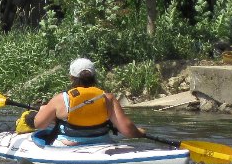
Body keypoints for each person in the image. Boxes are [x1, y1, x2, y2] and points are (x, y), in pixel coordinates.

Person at [15, 58, 146, 146]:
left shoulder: (61, 99)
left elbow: (39, 124)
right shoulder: (108, 98)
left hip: (68, 146)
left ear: (71, 77)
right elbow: (128, 130)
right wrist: (140, 132)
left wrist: (45, 111)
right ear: (94, 76)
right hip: (102, 144)